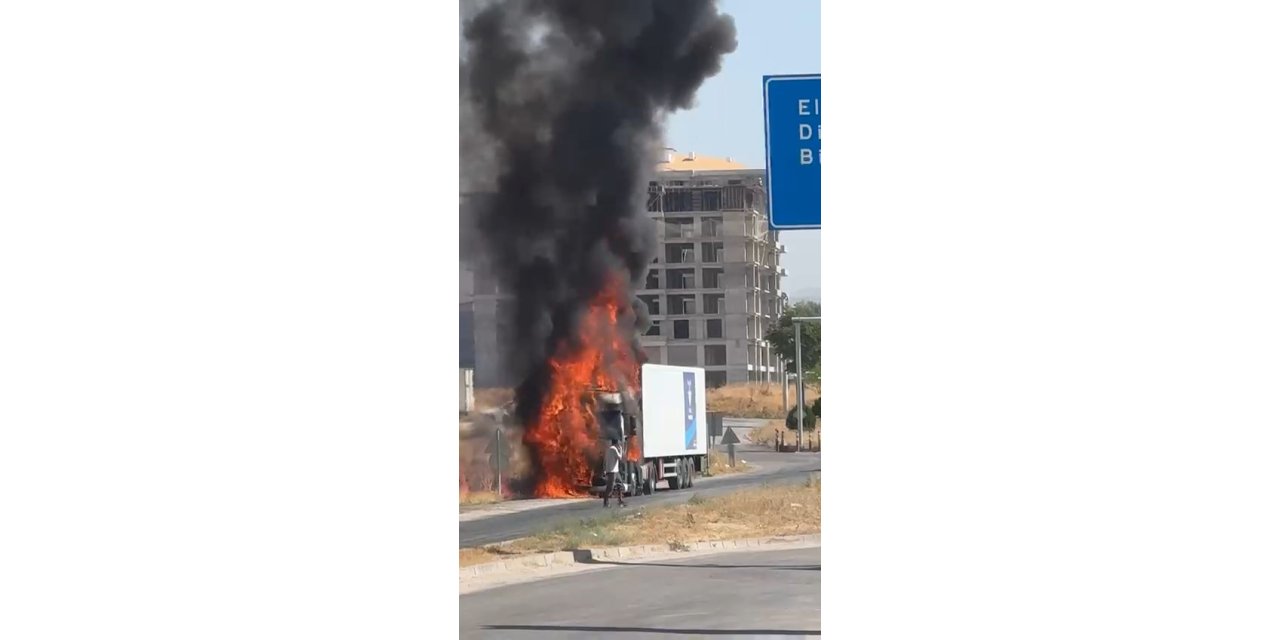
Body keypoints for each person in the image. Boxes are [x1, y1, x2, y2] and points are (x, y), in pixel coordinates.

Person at [603, 437, 626, 508]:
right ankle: (606, 502)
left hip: (613, 471)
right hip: (613, 471)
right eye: (619, 442)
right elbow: (620, 458)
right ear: (617, 443)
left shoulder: (608, 449)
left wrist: (605, 469)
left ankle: (620, 501)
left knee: (620, 485)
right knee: (610, 487)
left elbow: (604, 461)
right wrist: (621, 449)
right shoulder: (614, 449)